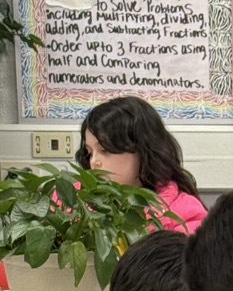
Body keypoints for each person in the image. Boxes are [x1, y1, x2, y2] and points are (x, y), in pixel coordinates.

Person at [75, 96, 207, 233]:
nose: (93, 161)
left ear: (143, 151)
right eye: (89, 152)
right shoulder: (70, 199)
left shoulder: (185, 214)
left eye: (105, 150)